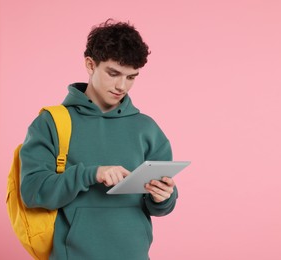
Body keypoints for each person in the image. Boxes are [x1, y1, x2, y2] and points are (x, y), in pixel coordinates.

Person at [20, 19, 178, 260]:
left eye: (131, 77)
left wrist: (163, 197)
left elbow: (160, 206)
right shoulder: (52, 122)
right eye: (113, 73)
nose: (121, 86)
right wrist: (90, 174)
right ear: (90, 64)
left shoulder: (146, 128)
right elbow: (33, 193)